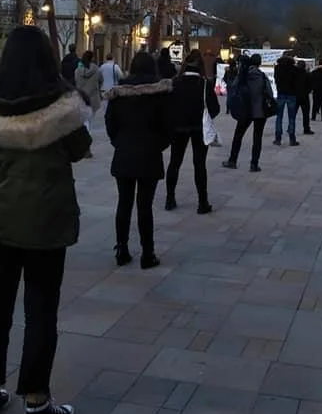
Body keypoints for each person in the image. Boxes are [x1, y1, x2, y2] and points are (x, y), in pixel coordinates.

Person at [0, 26, 91, 414]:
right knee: (40, 310)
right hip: (45, 220)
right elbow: (80, 151)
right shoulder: (64, 109)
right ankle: (36, 404)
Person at [105, 52, 173, 269]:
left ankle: (121, 248)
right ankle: (147, 252)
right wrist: (158, 145)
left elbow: (110, 122)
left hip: (124, 151)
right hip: (149, 152)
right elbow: (168, 126)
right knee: (145, 205)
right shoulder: (160, 92)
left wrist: (119, 142)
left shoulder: (120, 92)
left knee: (124, 203)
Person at [165, 50, 220, 214]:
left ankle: (170, 199)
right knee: (200, 164)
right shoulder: (204, 84)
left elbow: (167, 106)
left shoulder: (175, 82)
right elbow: (215, 108)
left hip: (178, 127)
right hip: (199, 127)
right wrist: (205, 116)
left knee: (175, 162)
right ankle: (202, 202)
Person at [223, 54, 275, 171]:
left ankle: (232, 160)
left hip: (245, 110)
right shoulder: (262, 76)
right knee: (257, 138)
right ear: (259, 63)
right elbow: (270, 94)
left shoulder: (243, 75)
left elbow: (233, 87)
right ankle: (254, 164)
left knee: (238, 135)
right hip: (260, 111)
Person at [74, 51, 103, 145]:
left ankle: (85, 137)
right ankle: (88, 136)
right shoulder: (97, 70)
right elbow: (101, 80)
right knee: (90, 119)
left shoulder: (77, 71)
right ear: (92, 58)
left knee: (84, 119)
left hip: (81, 97)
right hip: (93, 97)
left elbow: (75, 82)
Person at [274, 53, 299, 146]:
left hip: (281, 93)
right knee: (292, 117)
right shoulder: (294, 69)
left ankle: (278, 138)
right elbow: (296, 82)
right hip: (292, 94)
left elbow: (276, 80)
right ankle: (292, 138)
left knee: (279, 117)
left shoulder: (277, 68)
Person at [295, 60, 313, 135]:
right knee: (306, 114)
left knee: (293, 114)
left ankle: (290, 127)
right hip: (304, 96)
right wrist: (307, 92)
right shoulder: (307, 74)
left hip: (295, 96)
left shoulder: (294, 74)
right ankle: (306, 128)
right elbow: (310, 85)